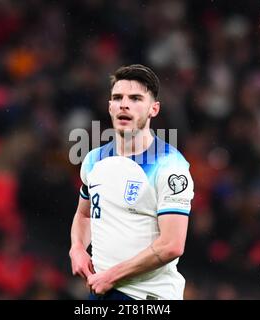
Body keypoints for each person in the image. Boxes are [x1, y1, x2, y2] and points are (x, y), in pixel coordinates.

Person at [69, 64, 194, 300]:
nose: (124, 104)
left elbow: (172, 245)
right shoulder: (94, 160)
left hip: (147, 297)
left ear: (153, 109)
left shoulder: (170, 167)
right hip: (100, 290)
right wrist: (77, 248)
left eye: (136, 98)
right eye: (118, 98)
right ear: (110, 107)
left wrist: (111, 276)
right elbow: (84, 215)